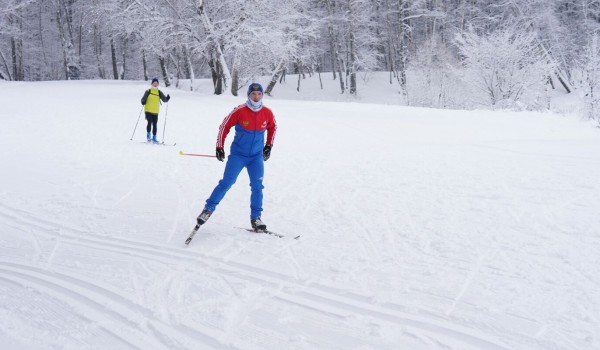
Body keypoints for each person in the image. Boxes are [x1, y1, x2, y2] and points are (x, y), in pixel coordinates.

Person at [197, 82, 277, 231]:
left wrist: (268, 146)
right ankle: (208, 210)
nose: (256, 96)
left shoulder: (267, 112)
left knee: (257, 186)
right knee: (227, 182)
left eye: (259, 94)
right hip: (238, 155)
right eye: (253, 94)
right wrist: (219, 146)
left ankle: (256, 218)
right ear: (248, 95)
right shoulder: (240, 111)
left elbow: (273, 128)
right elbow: (224, 126)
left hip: (256, 157)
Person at [140, 78, 170, 143]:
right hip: (148, 110)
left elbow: (164, 100)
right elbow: (143, 99)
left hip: (155, 111)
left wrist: (167, 98)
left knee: (155, 124)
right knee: (149, 122)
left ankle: (154, 137)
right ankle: (148, 136)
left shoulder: (159, 92)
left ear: (158, 84)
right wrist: (143, 101)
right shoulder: (148, 91)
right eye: (154, 83)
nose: (155, 84)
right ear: (152, 83)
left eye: (157, 83)